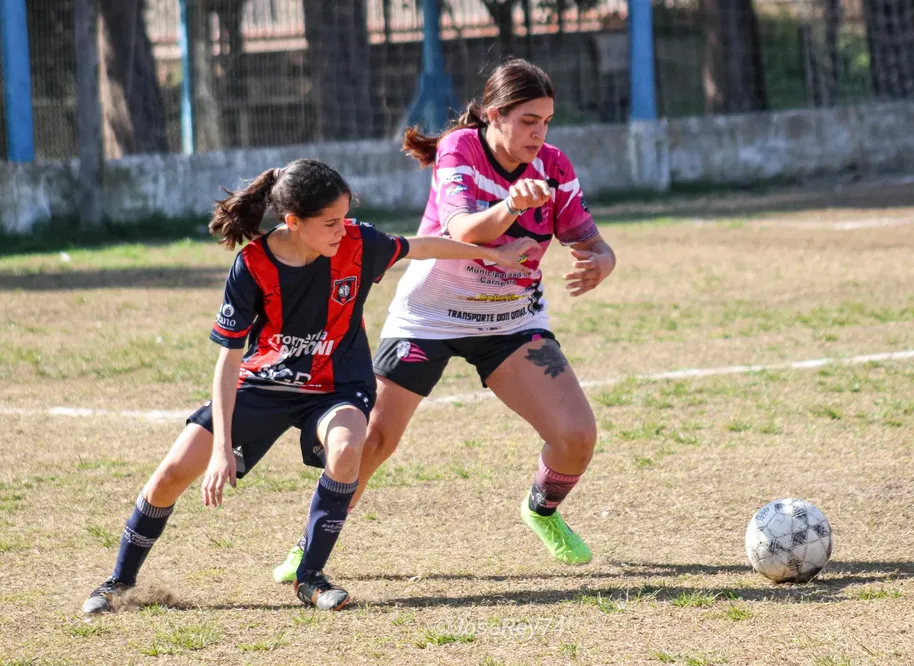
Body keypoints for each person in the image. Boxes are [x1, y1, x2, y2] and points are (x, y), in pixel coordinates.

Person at [81, 158, 537, 614]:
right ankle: (118, 582)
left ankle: (310, 577)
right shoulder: (253, 265)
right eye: (331, 222)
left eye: (345, 217)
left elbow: (420, 247)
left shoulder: (359, 244)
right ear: (293, 222)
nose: (343, 229)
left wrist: (491, 254)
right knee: (172, 474)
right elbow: (228, 361)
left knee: (346, 448)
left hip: (338, 385)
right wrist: (222, 446)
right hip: (263, 384)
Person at [272, 58, 617, 583]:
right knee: (372, 443)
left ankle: (540, 510)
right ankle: (309, 546)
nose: (539, 133)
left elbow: (590, 239)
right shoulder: (461, 150)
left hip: (510, 321)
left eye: (546, 121)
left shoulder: (554, 166)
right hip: (428, 317)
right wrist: (509, 206)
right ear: (495, 116)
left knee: (576, 437)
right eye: (528, 121)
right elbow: (463, 230)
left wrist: (602, 262)